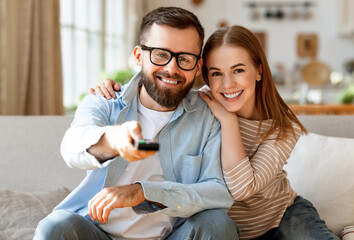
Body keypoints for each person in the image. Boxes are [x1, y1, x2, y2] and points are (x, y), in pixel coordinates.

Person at [93, 25, 340, 240]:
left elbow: (242, 189)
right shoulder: (197, 107)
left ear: (259, 71)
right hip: (225, 229)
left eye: (239, 70)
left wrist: (228, 120)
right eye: (217, 73)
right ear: (206, 77)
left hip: (280, 216)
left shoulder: (282, 128)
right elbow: (158, 98)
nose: (228, 84)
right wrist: (116, 89)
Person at [34, 7, 239, 240]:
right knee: (55, 226)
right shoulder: (105, 101)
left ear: (198, 66)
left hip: (173, 236)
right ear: (139, 55)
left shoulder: (208, 113)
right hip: (97, 233)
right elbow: (71, 148)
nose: (172, 69)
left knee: (218, 223)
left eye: (184, 58)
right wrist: (112, 140)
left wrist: (144, 192)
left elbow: (218, 192)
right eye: (161, 54)